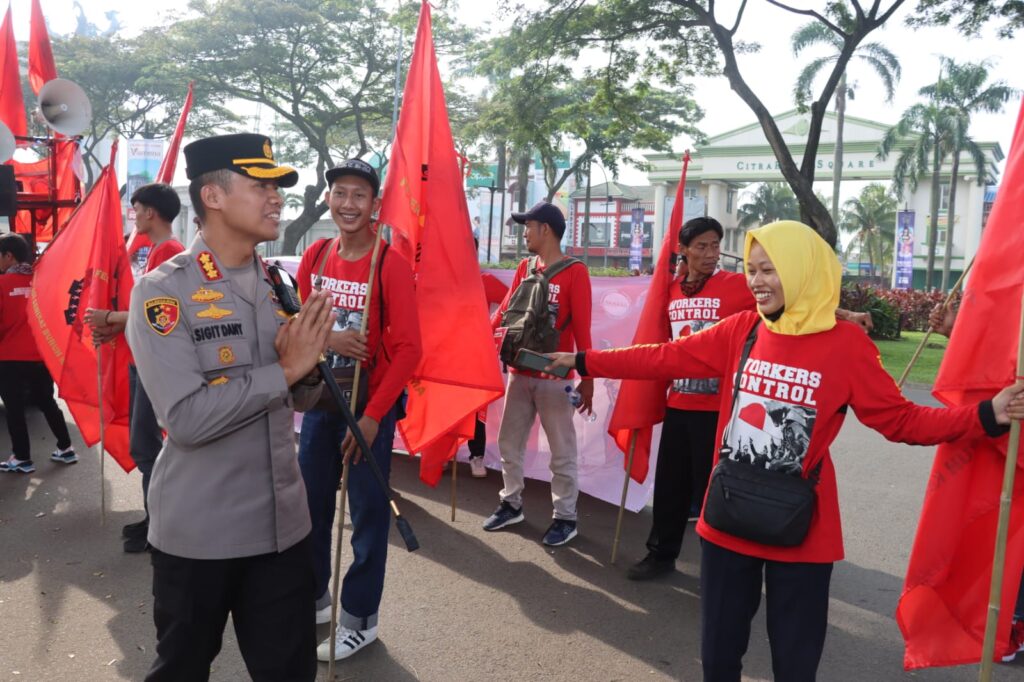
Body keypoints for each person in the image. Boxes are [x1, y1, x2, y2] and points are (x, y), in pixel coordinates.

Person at [545, 220, 1024, 681]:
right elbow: (662, 356)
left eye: (769, 269)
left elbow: (902, 420)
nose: (756, 281)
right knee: (718, 656)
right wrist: (584, 360)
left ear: (802, 270)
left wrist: (986, 415)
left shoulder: (847, 345)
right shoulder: (742, 330)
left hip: (803, 532)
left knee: (795, 662)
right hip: (727, 520)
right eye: (752, 269)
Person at [125, 133, 334, 682]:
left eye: (277, 187)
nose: (276, 198)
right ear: (212, 197)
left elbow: (300, 399)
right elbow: (187, 420)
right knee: (184, 668)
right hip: (201, 534)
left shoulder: (277, 284)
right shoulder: (162, 293)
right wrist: (285, 370)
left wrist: (309, 369)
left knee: (290, 671)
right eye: (260, 185)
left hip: (283, 529)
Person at [629, 217, 873, 581]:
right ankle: (660, 554)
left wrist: (846, 314)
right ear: (684, 250)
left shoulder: (734, 285)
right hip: (679, 402)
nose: (711, 254)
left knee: (716, 491)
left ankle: (721, 564)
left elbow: (791, 298)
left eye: (716, 246)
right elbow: (656, 342)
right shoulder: (671, 290)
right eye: (702, 247)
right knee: (670, 485)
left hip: (722, 410)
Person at [295, 159, 422, 663]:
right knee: (311, 506)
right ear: (329, 198)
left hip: (369, 405)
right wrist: (329, 336)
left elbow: (411, 349)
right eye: (340, 193)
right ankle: (316, 599)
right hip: (321, 399)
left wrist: (372, 417)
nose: (348, 204)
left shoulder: (388, 262)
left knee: (368, 515)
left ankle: (359, 621)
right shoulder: (317, 253)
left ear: (375, 205)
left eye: (359, 196)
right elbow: (296, 321)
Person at [483, 201, 593, 547]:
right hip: (520, 371)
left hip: (556, 377)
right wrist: (480, 339)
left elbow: (585, 331)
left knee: (561, 451)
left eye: (528, 226)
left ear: (545, 228)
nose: (525, 232)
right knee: (508, 444)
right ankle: (511, 503)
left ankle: (565, 517)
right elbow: (506, 310)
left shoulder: (576, 271)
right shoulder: (525, 267)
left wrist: (587, 378)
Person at [85, 182, 184, 552]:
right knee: (144, 445)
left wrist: (109, 316)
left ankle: (159, 525)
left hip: (153, 365)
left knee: (146, 447)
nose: (135, 214)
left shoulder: (168, 251)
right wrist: (113, 329)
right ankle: (154, 518)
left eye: (138, 208)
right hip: (141, 359)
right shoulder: (158, 250)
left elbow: (159, 313)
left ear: (151, 213)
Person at [0, 233, 76, 473]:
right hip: (41, 356)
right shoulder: (42, 282)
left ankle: (22, 457)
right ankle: (66, 448)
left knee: (14, 408)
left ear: (8, 256)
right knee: (46, 401)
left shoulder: (1, 285)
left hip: (10, 358)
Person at [466, 242, 509, 478]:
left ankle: (476, 455)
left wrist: (491, 330)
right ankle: (440, 454)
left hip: (476, 358)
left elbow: (513, 304)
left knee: (475, 410)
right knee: (445, 404)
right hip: (446, 357)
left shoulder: (486, 281)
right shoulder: (443, 282)